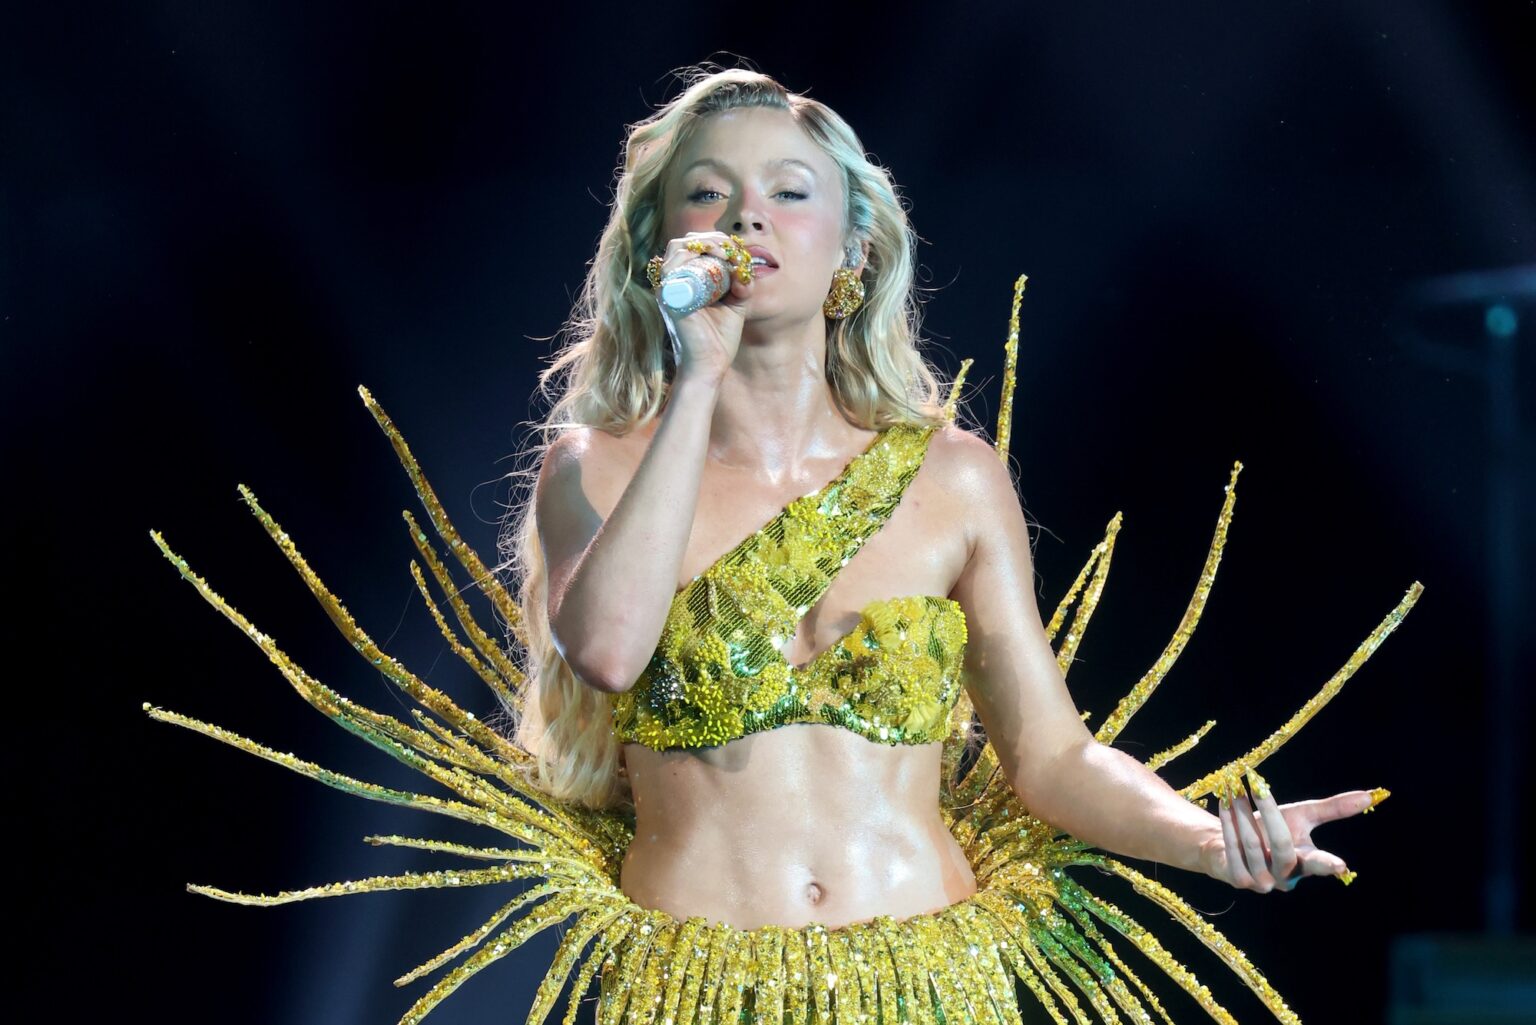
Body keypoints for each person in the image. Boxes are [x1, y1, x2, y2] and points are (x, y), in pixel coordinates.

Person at [144, 64, 1422, 1025]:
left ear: (852, 246)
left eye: (789, 193)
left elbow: (1052, 755)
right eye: (709, 195)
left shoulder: (951, 476)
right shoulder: (596, 469)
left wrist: (1206, 836)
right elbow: (603, 651)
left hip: (934, 970)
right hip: (694, 979)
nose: (748, 216)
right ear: (662, 249)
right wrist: (690, 380)